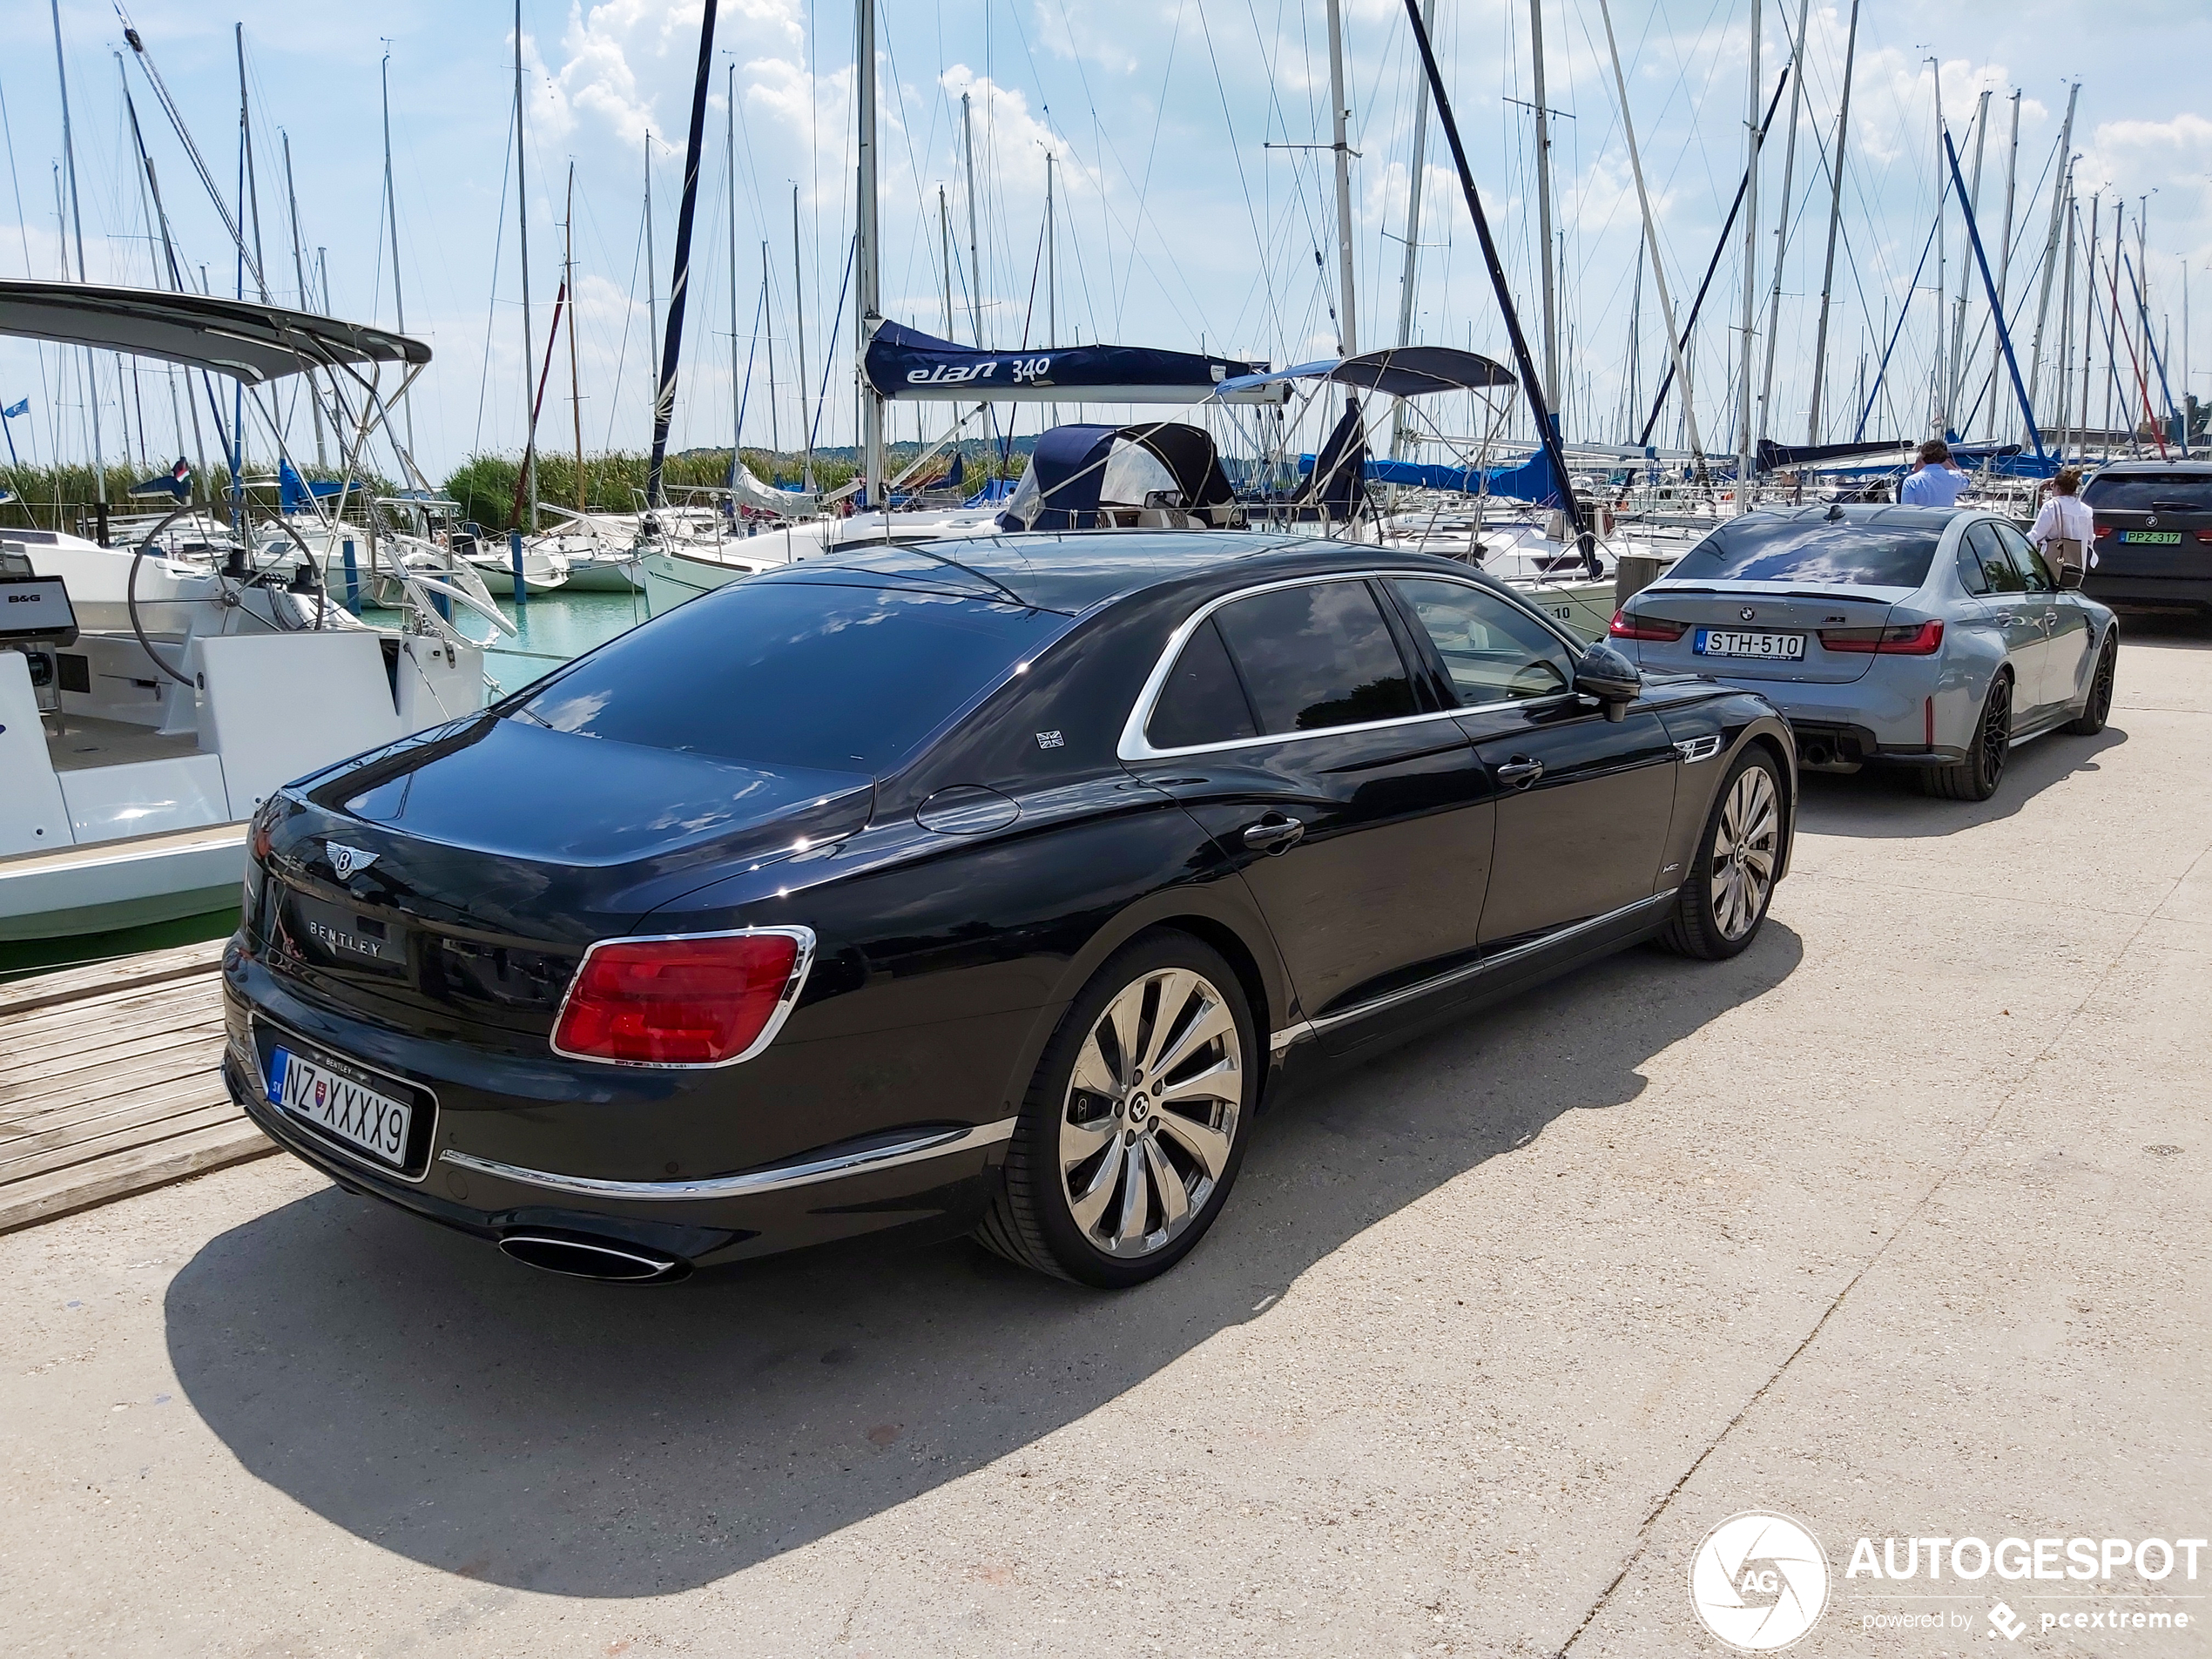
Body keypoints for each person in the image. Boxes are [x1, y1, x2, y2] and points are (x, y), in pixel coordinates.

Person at [2027, 467, 2094, 578]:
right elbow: (2089, 539)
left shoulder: (2051, 506)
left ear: (2058, 488)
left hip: (2054, 561)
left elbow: (2036, 535)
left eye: (2053, 486)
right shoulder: (2086, 510)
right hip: (2078, 564)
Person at [1899, 438, 1971, 507]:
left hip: (1921, 518)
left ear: (1922, 457)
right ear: (1944, 458)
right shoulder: (1955, 477)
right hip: (1945, 518)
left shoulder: (1912, 481)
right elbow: (1967, 481)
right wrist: (1948, 464)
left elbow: (1907, 511)